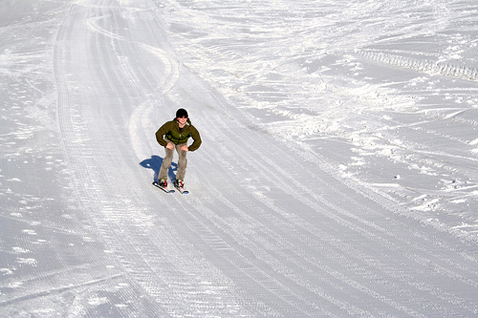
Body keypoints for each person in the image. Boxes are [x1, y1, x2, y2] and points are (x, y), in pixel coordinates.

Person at [155, 108, 202, 188]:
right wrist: (165, 144)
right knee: (169, 158)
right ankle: (162, 178)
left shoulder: (190, 128)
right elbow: (158, 134)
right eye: (181, 117)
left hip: (182, 143)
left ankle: (180, 179)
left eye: (185, 117)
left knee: (183, 160)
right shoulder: (170, 125)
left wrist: (189, 148)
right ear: (177, 118)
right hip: (170, 141)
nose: (183, 119)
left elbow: (198, 140)